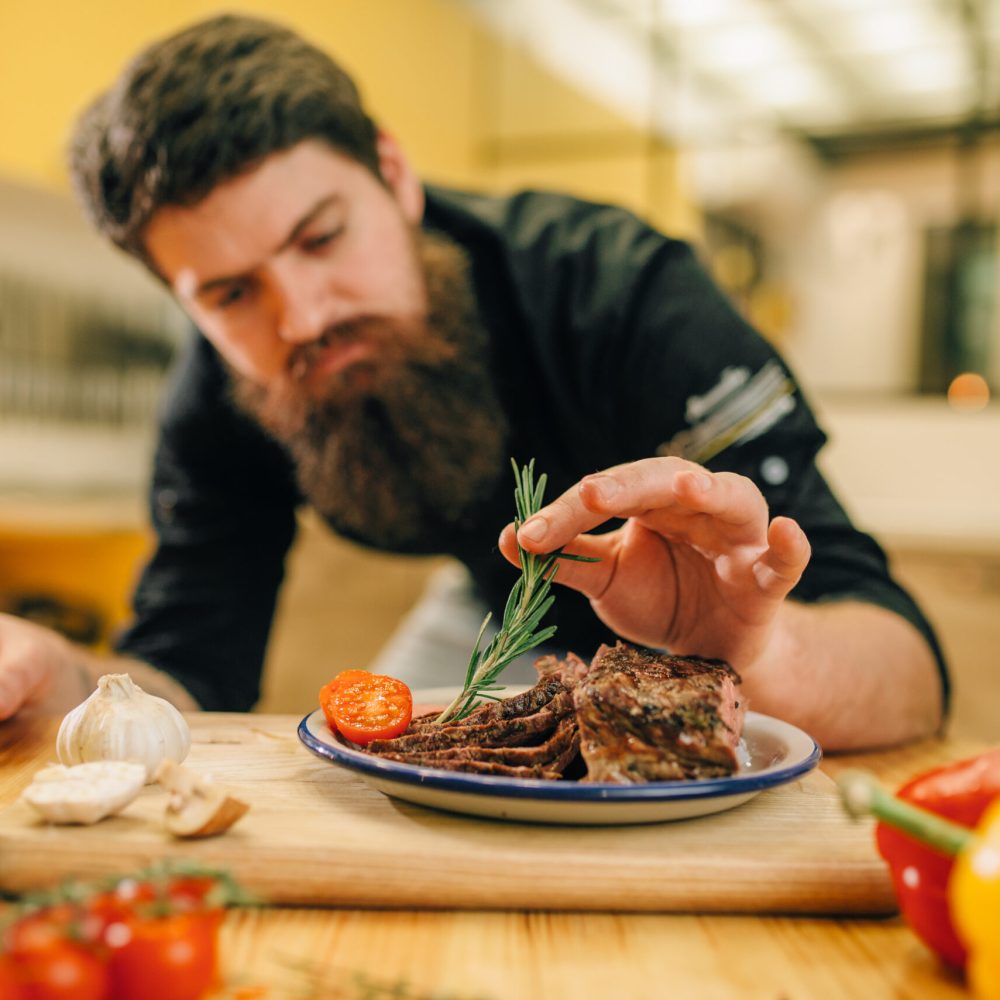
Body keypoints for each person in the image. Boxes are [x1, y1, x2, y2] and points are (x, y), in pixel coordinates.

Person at [0, 14, 946, 749]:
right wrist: (62, 681)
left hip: (711, 640)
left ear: (395, 173)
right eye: (230, 293)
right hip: (497, 603)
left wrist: (757, 645)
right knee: (372, 781)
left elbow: (909, 671)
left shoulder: (623, 293)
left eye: (322, 237)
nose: (302, 318)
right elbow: (186, 673)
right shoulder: (224, 393)